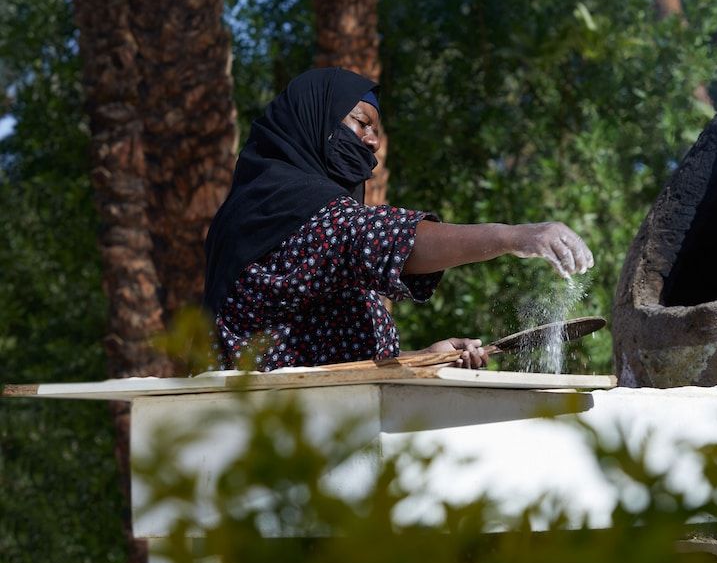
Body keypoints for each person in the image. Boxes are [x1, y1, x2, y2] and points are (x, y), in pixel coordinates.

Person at [204, 67, 593, 372]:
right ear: (313, 123)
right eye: (362, 123)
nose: (373, 142)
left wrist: (420, 357)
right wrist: (516, 237)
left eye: (376, 130)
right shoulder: (282, 209)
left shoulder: (300, 218)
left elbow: (322, 359)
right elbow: (377, 238)